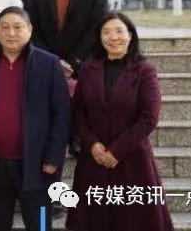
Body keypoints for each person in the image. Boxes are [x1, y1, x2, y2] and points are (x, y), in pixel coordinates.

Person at [66, 12, 174, 231]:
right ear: (99, 37)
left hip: (131, 158)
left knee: (135, 220)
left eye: (119, 31)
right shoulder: (88, 68)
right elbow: (78, 112)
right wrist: (92, 144)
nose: (113, 37)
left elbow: (149, 117)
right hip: (93, 159)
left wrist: (116, 151)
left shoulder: (144, 70)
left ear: (130, 35)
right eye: (106, 32)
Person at [0, 7, 69, 231]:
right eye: (5, 27)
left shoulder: (48, 64)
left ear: (29, 30)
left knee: (40, 224)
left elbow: (61, 114)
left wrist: (53, 157)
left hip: (38, 165)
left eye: (17, 27)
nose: (11, 33)